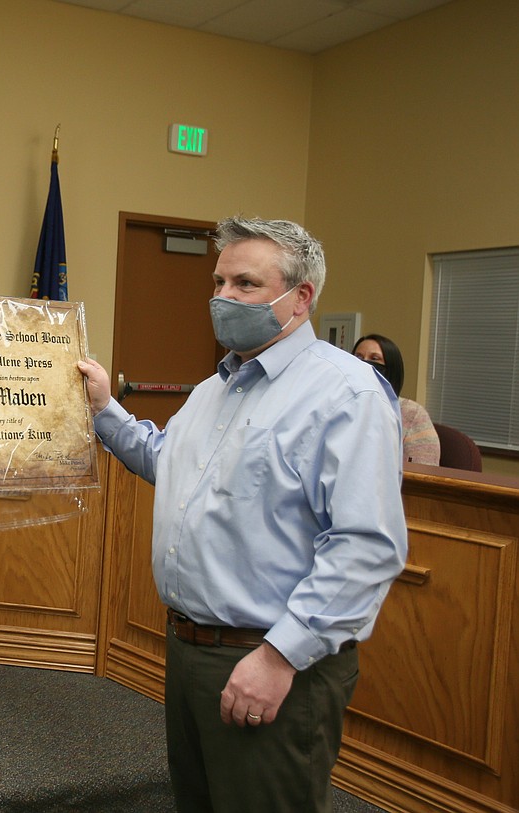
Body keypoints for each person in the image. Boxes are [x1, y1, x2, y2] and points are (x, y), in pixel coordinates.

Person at [78, 216, 407, 813]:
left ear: (301, 298)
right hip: (191, 650)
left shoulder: (346, 394)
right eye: (219, 282)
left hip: (273, 660)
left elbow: (366, 546)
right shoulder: (215, 388)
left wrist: (279, 656)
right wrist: (106, 410)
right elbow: (167, 461)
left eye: (245, 285)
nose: (223, 298)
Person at [353, 333, 440, 465]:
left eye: (374, 358)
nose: (364, 363)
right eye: (358, 357)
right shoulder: (340, 407)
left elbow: (423, 473)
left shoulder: (411, 414)